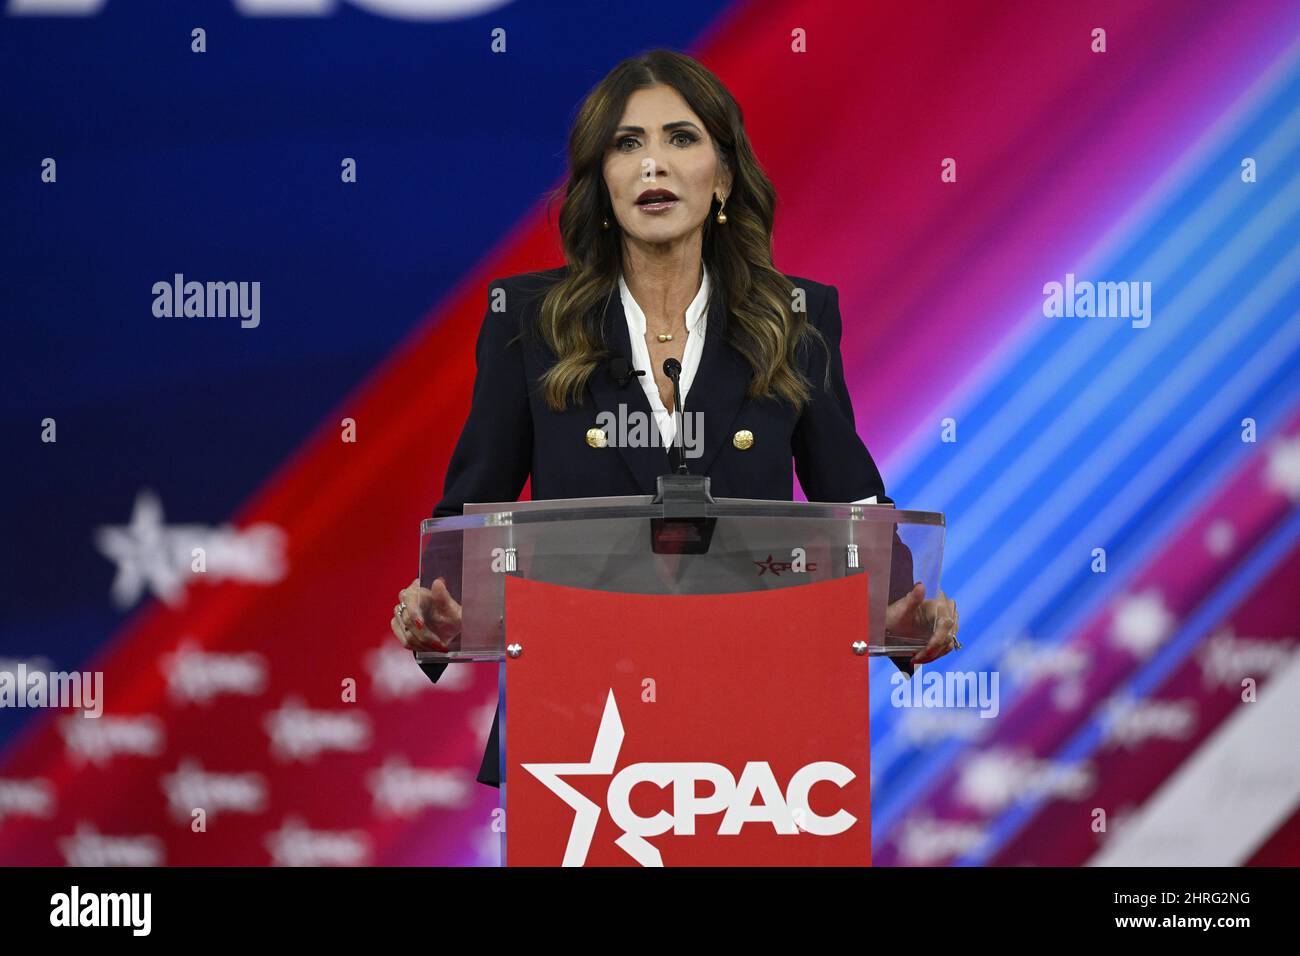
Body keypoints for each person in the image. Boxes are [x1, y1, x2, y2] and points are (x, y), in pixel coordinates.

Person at [389, 49, 959, 788]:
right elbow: (468, 518)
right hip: (575, 730)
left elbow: (854, 502)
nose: (652, 163)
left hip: (756, 729)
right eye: (627, 144)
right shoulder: (526, 321)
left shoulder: (794, 318)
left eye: (680, 138)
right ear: (600, 185)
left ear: (723, 177)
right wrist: (435, 617)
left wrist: (909, 622)